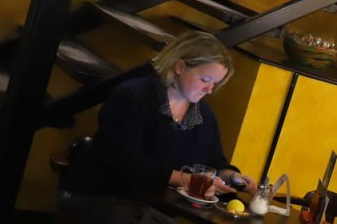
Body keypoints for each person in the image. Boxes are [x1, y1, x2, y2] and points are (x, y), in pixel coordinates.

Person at [65, 31, 255, 197]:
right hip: (103, 197)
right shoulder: (132, 96)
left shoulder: (204, 115)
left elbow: (214, 162)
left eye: (215, 83)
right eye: (205, 80)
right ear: (180, 67)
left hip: (156, 206)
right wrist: (188, 180)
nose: (209, 90)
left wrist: (232, 177)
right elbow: (125, 163)